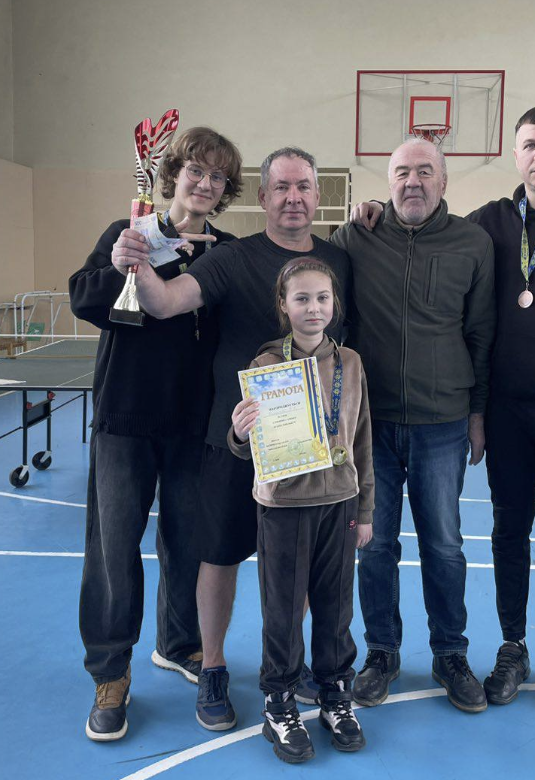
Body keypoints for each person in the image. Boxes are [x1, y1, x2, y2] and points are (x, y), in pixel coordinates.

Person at [351, 104, 535, 719]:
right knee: (507, 534)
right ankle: (512, 648)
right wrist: (373, 210)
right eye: (530, 144)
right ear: (514, 156)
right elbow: (423, 224)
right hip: (508, 415)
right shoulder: (489, 223)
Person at [112, 146, 351, 731]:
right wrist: (137, 263)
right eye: (281, 187)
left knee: (301, 565)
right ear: (263, 196)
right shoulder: (232, 257)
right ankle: (213, 667)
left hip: (307, 449)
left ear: (317, 195)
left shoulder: (340, 261)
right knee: (218, 556)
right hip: (233, 439)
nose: (293, 197)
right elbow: (166, 303)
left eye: (304, 187)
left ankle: (294, 664)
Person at [68, 127, 243, 741]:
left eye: (218, 177)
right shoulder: (131, 231)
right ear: (174, 175)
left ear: (226, 190)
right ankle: (110, 672)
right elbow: (83, 297)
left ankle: (179, 643)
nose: (205, 183)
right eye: (196, 170)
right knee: (113, 549)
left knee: (189, 543)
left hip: (195, 424)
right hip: (126, 419)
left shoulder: (228, 251)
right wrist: (121, 264)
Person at [330, 137, 496, 713]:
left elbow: (482, 335)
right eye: (402, 172)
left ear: (444, 182)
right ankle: (382, 652)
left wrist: (477, 413)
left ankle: (451, 653)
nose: (413, 182)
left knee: (444, 546)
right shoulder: (355, 237)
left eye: (425, 171)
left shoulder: (473, 243)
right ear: (388, 182)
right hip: (369, 427)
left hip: (443, 424)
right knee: (373, 546)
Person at [227, 257, 373, 764]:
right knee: (283, 610)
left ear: (335, 304)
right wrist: (239, 433)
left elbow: (362, 438)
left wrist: (366, 508)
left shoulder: (351, 362)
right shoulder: (266, 366)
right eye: (302, 298)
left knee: (336, 608)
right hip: (284, 506)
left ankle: (335, 695)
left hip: (340, 504)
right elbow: (249, 444)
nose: (314, 308)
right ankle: (279, 702)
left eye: (322, 298)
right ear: (284, 306)